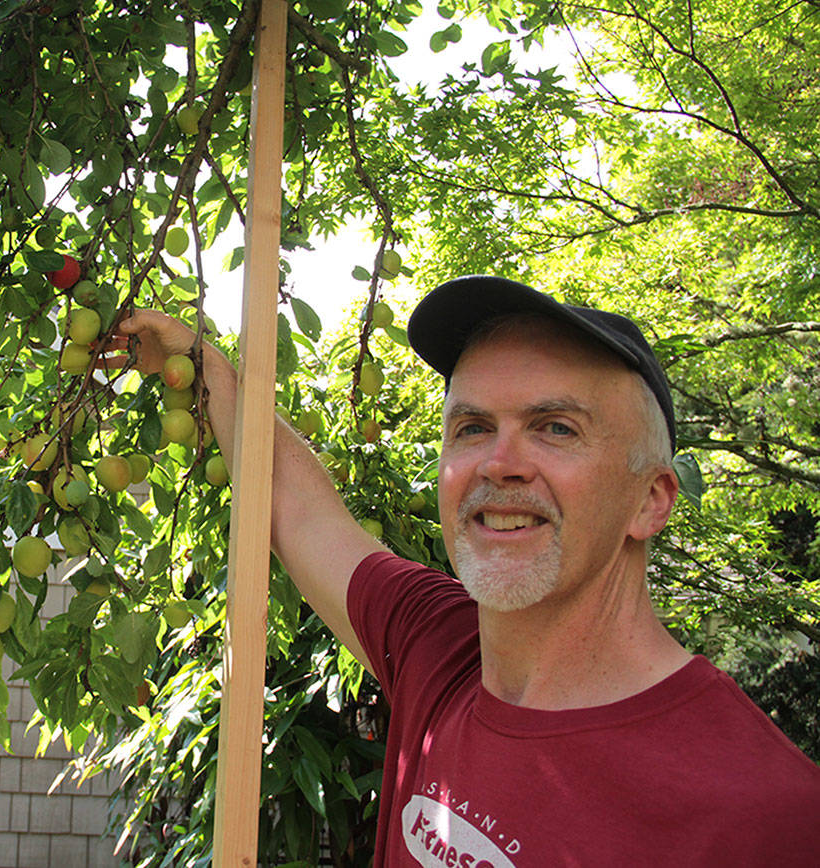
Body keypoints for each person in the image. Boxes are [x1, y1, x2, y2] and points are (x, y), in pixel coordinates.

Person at [111, 274, 820, 866]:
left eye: (557, 428)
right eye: (472, 428)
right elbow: (301, 513)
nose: (499, 462)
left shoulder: (769, 815)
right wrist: (205, 366)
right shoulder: (438, 647)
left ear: (651, 499)